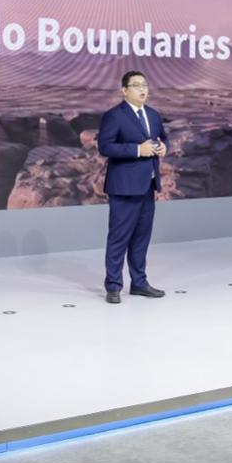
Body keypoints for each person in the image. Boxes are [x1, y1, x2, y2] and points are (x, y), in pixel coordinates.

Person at [97, 70, 169, 304]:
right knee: (119, 238)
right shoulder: (114, 115)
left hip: (147, 186)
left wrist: (163, 147)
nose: (142, 89)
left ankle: (139, 283)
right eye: (136, 85)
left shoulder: (153, 115)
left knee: (141, 238)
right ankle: (113, 286)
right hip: (124, 187)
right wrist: (138, 150)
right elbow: (105, 147)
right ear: (124, 90)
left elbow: (163, 138)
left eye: (145, 85)